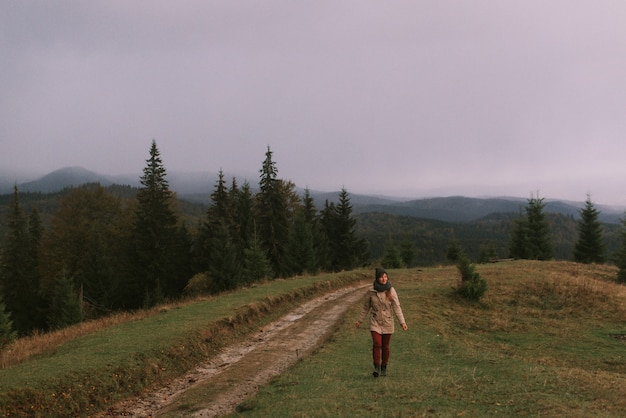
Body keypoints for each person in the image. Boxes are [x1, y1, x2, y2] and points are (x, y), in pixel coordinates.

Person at [355, 267, 408, 377]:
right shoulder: (371, 291)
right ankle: (376, 367)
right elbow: (366, 307)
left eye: (385, 276)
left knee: (385, 346)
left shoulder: (391, 290)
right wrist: (360, 320)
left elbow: (397, 307)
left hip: (388, 322)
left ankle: (384, 367)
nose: (384, 279)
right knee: (377, 343)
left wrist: (402, 322)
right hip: (375, 322)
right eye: (381, 277)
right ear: (377, 278)